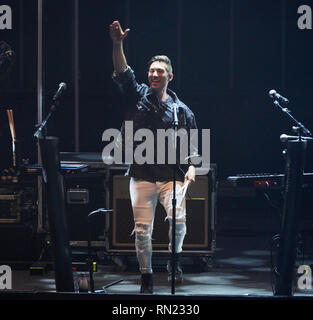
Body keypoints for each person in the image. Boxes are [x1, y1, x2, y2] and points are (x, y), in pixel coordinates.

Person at [109, 20, 198, 294]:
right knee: (142, 229)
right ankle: (146, 277)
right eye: (151, 71)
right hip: (142, 176)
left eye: (160, 71)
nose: (154, 74)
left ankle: (174, 260)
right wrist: (118, 43)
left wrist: (192, 167)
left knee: (178, 221)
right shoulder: (138, 95)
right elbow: (122, 71)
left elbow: (192, 144)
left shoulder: (182, 110)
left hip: (171, 176)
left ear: (170, 76)